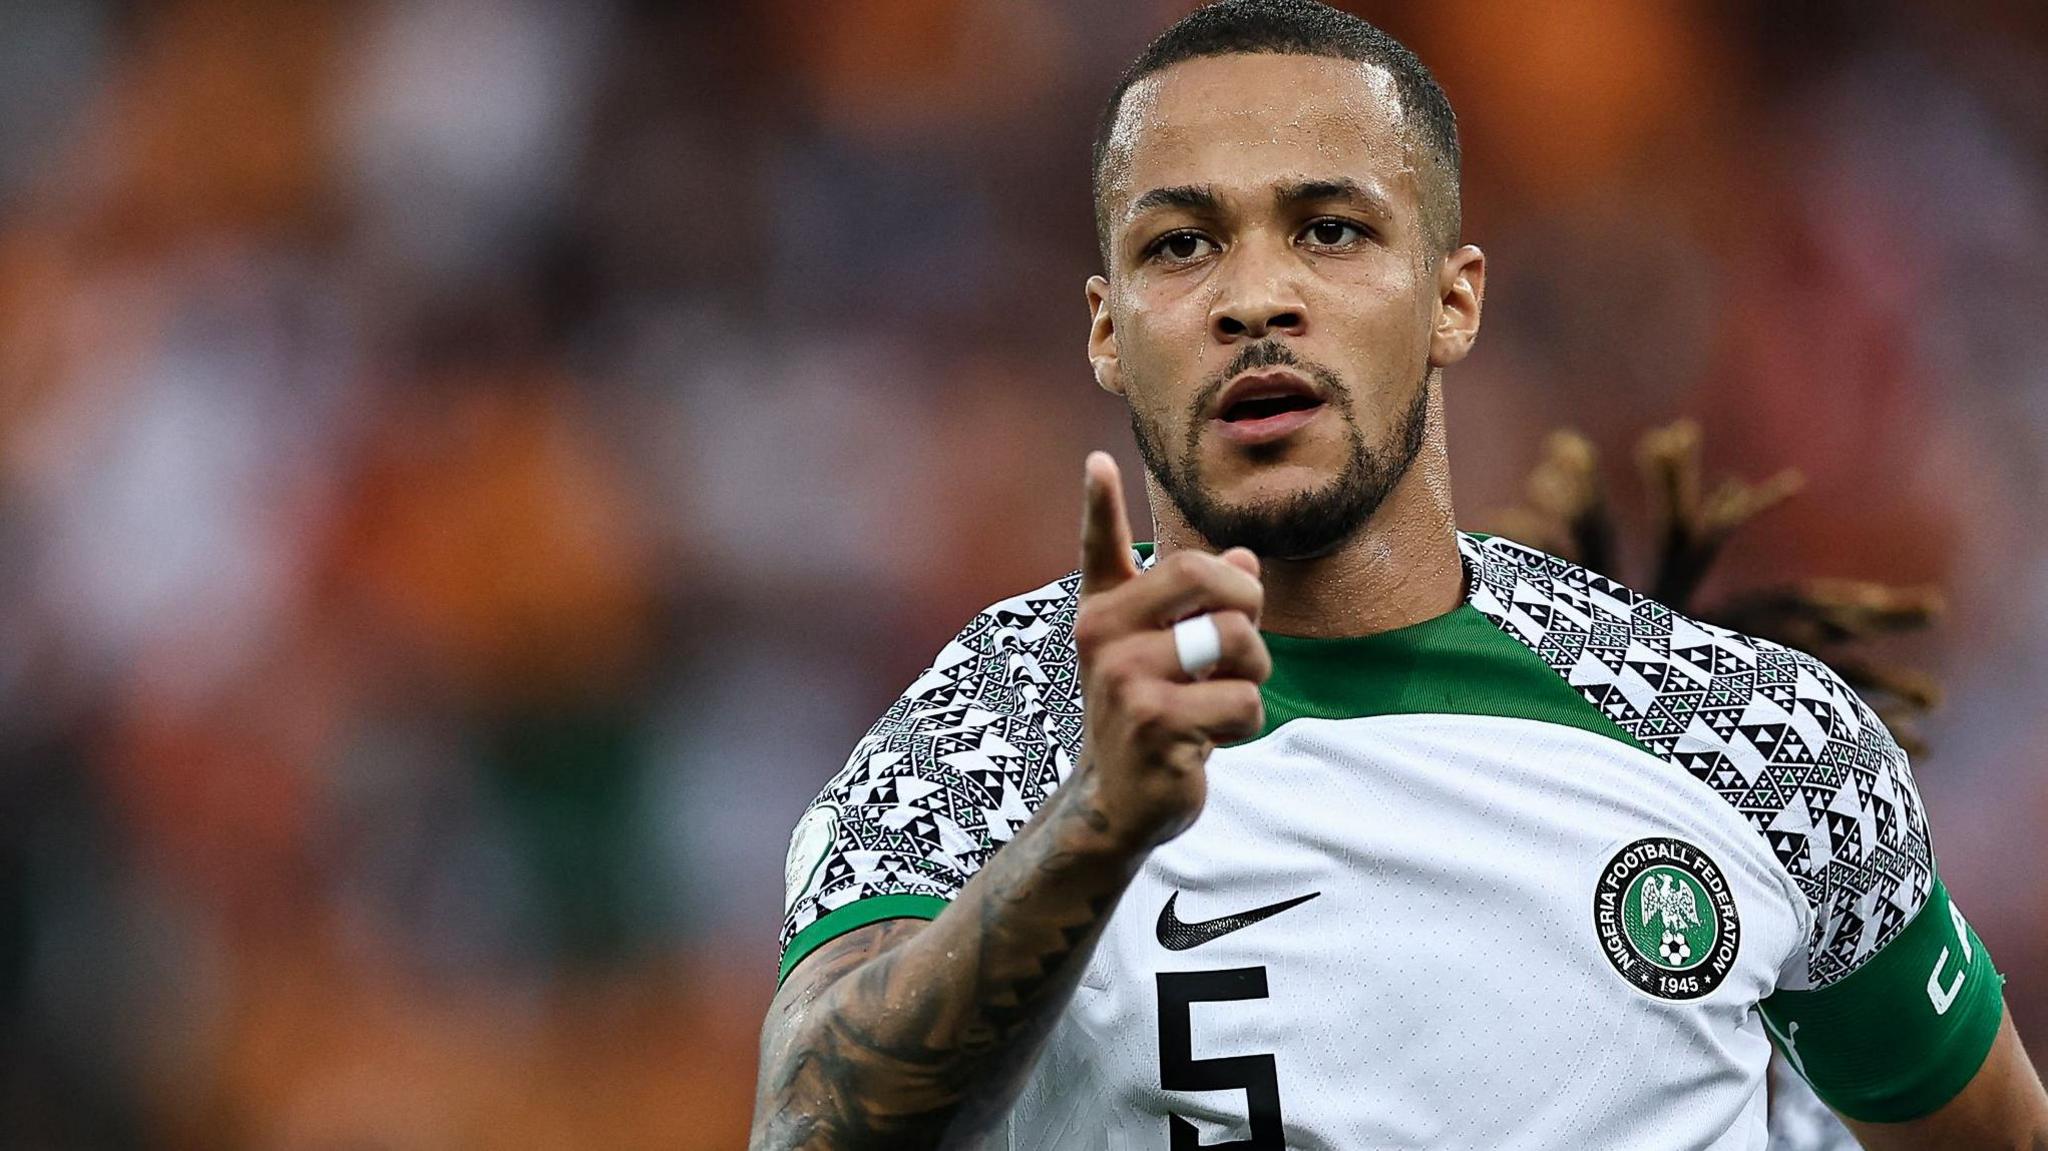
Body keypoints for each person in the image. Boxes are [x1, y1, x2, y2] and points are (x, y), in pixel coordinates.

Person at [748, 2, 2048, 1147]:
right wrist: (1095, 832)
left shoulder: (1748, 740)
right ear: (1105, 329)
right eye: (1181, 246)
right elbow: (810, 1123)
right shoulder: (1006, 722)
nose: (1256, 296)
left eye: (1328, 230)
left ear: (1452, 299)